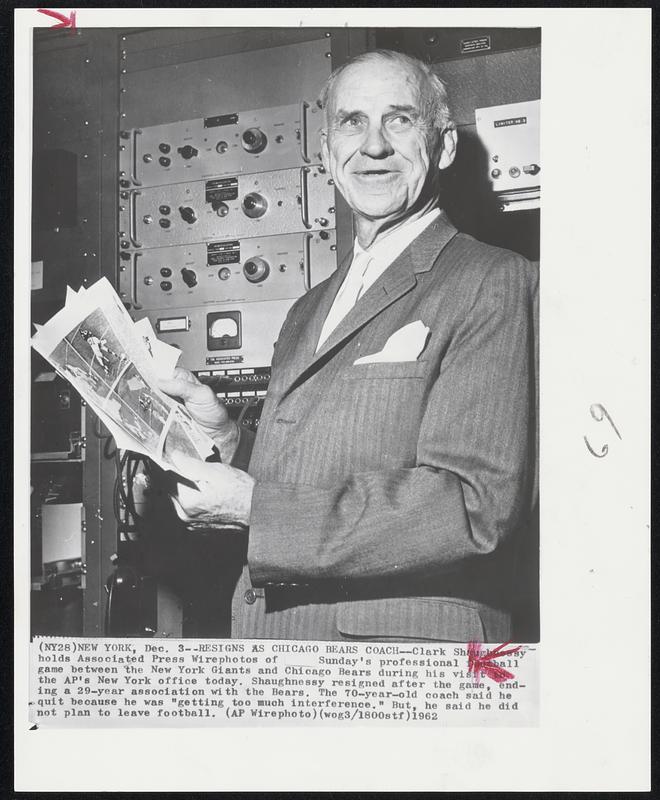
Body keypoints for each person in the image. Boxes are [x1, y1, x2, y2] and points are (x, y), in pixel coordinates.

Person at [159, 49, 538, 642]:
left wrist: (257, 511)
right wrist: (226, 439)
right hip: (274, 647)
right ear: (326, 151)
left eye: (400, 119)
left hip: (404, 666)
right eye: (352, 121)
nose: (375, 145)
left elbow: (472, 504)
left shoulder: (491, 279)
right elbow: (305, 467)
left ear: (444, 146)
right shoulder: (307, 307)